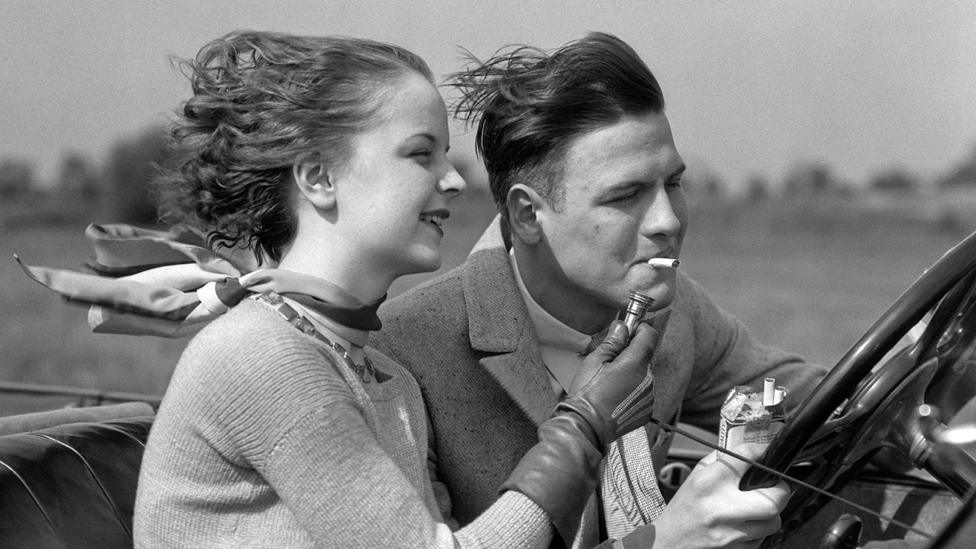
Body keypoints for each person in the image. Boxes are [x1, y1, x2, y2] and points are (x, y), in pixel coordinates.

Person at [18, 31, 662, 548]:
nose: (455, 181)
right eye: (421, 154)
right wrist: (583, 422)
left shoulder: (381, 375)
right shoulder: (265, 358)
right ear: (319, 178)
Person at [372, 32, 828, 548]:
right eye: (626, 195)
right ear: (527, 215)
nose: (667, 221)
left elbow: (814, 397)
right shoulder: (400, 356)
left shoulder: (673, 309)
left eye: (673, 184)